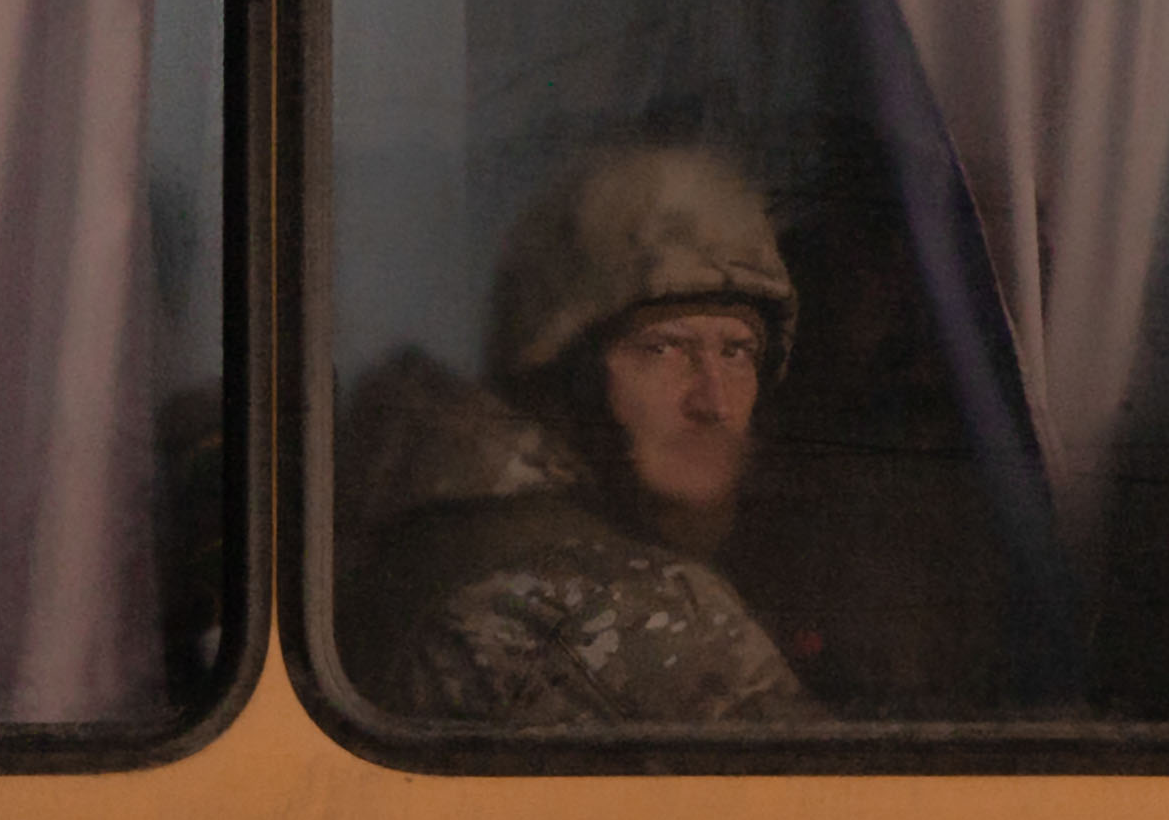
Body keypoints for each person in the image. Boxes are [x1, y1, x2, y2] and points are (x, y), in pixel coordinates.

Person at [334, 146, 828, 728]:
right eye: (664, 348)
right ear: (570, 375)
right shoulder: (624, 605)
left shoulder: (421, 530)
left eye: (737, 351)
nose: (714, 402)